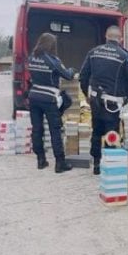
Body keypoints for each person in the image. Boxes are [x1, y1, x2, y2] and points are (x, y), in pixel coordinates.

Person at [79, 25, 128, 175]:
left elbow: (83, 76)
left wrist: (86, 93)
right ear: (121, 39)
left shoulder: (93, 52)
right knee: (112, 132)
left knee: (96, 130)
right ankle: (110, 164)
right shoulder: (124, 56)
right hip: (112, 103)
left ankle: (97, 163)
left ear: (106, 36)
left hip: (95, 100)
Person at [27, 33, 77, 173]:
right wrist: (73, 70)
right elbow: (67, 75)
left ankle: (41, 160)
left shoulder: (32, 58)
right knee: (55, 130)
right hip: (49, 99)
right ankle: (60, 163)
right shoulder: (53, 60)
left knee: (37, 129)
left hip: (34, 96)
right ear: (52, 45)